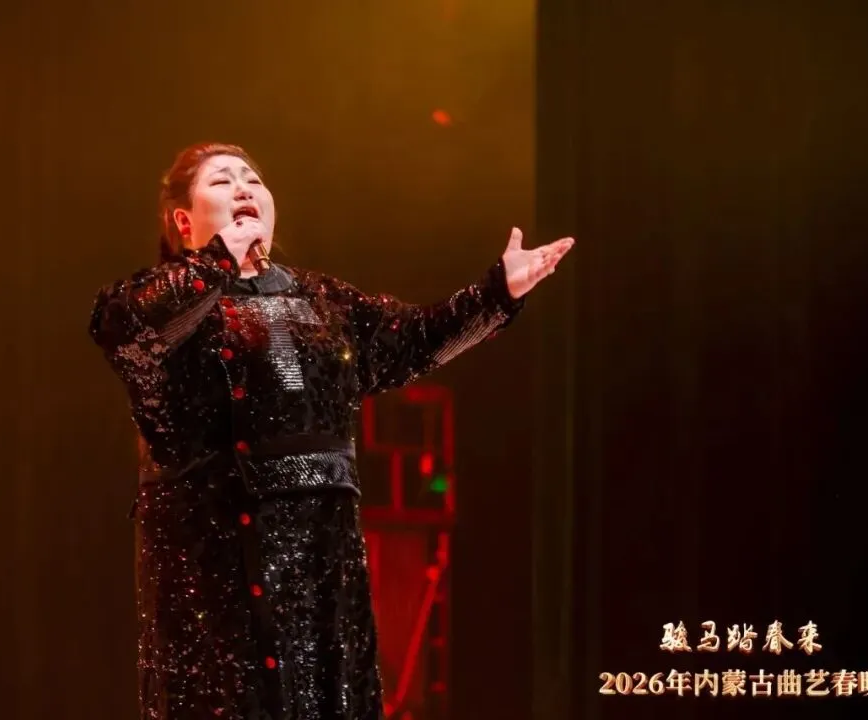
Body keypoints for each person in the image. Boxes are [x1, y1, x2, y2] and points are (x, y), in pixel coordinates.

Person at [88, 142, 574, 720]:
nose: (243, 188)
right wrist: (218, 263)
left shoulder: (321, 298)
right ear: (184, 222)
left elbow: (412, 340)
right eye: (221, 181)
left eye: (252, 179)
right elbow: (125, 330)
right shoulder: (155, 301)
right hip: (218, 560)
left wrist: (497, 293)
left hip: (323, 554)